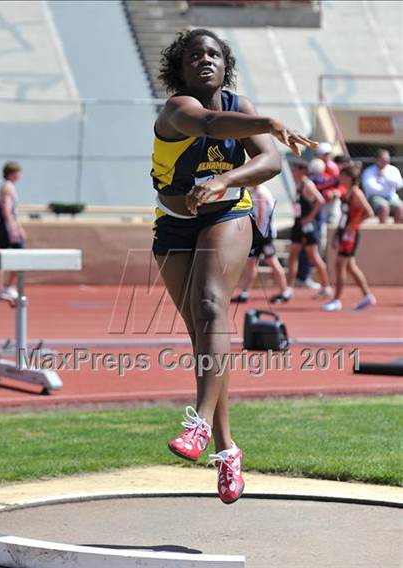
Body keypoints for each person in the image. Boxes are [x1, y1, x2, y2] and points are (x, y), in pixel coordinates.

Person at [151, 29, 317, 504]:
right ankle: (228, 452)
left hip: (228, 215)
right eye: (194, 55)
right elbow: (208, 125)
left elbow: (268, 162)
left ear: (225, 65)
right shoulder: (177, 109)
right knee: (205, 335)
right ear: (179, 69)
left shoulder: (240, 105)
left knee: (211, 305)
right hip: (174, 222)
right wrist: (269, 119)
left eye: (213, 54)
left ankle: (200, 422)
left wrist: (226, 178)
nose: (204, 60)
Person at [322, 166, 376, 311]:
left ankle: (337, 300)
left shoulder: (357, 193)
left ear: (350, 178)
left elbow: (369, 212)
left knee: (340, 265)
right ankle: (367, 295)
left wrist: (353, 226)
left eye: (342, 176)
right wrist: (336, 234)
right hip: (344, 233)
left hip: (350, 235)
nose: (340, 178)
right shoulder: (347, 193)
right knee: (350, 267)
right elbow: (345, 216)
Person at [231, 184, 292, 304]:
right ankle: (244, 292)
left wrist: (256, 233)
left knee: (271, 261)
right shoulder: (257, 191)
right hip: (261, 234)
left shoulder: (261, 193)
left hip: (264, 235)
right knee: (251, 262)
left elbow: (262, 215)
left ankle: (285, 291)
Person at [286, 160, 332, 300]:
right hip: (298, 223)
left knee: (314, 257)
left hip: (307, 225)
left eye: (295, 170)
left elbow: (320, 200)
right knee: (292, 255)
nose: (292, 172)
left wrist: (310, 217)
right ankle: (289, 288)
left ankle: (326, 287)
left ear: (302, 171)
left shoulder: (307, 184)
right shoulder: (297, 184)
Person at [0, 161, 26, 301]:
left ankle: (5, 288)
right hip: (6, 227)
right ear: (12, 173)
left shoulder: (8, 186)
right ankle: (1, 288)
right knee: (8, 256)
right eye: (18, 172)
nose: (20, 175)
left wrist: (19, 227)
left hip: (6, 225)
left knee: (8, 256)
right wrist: (14, 229)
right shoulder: (8, 187)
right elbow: (7, 211)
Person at [361, 149, 403, 223]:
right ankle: (384, 231)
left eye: (387, 159)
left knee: (400, 207)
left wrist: (386, 177)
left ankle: (398, 231)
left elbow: (399, 184)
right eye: (383, 159)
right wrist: (388, 188)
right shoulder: (369, 171)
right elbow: (370, 188)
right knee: (384, 207)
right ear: (377, 159)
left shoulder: (393, 170)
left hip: (391, 197)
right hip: (375, 197)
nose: (386, 161)